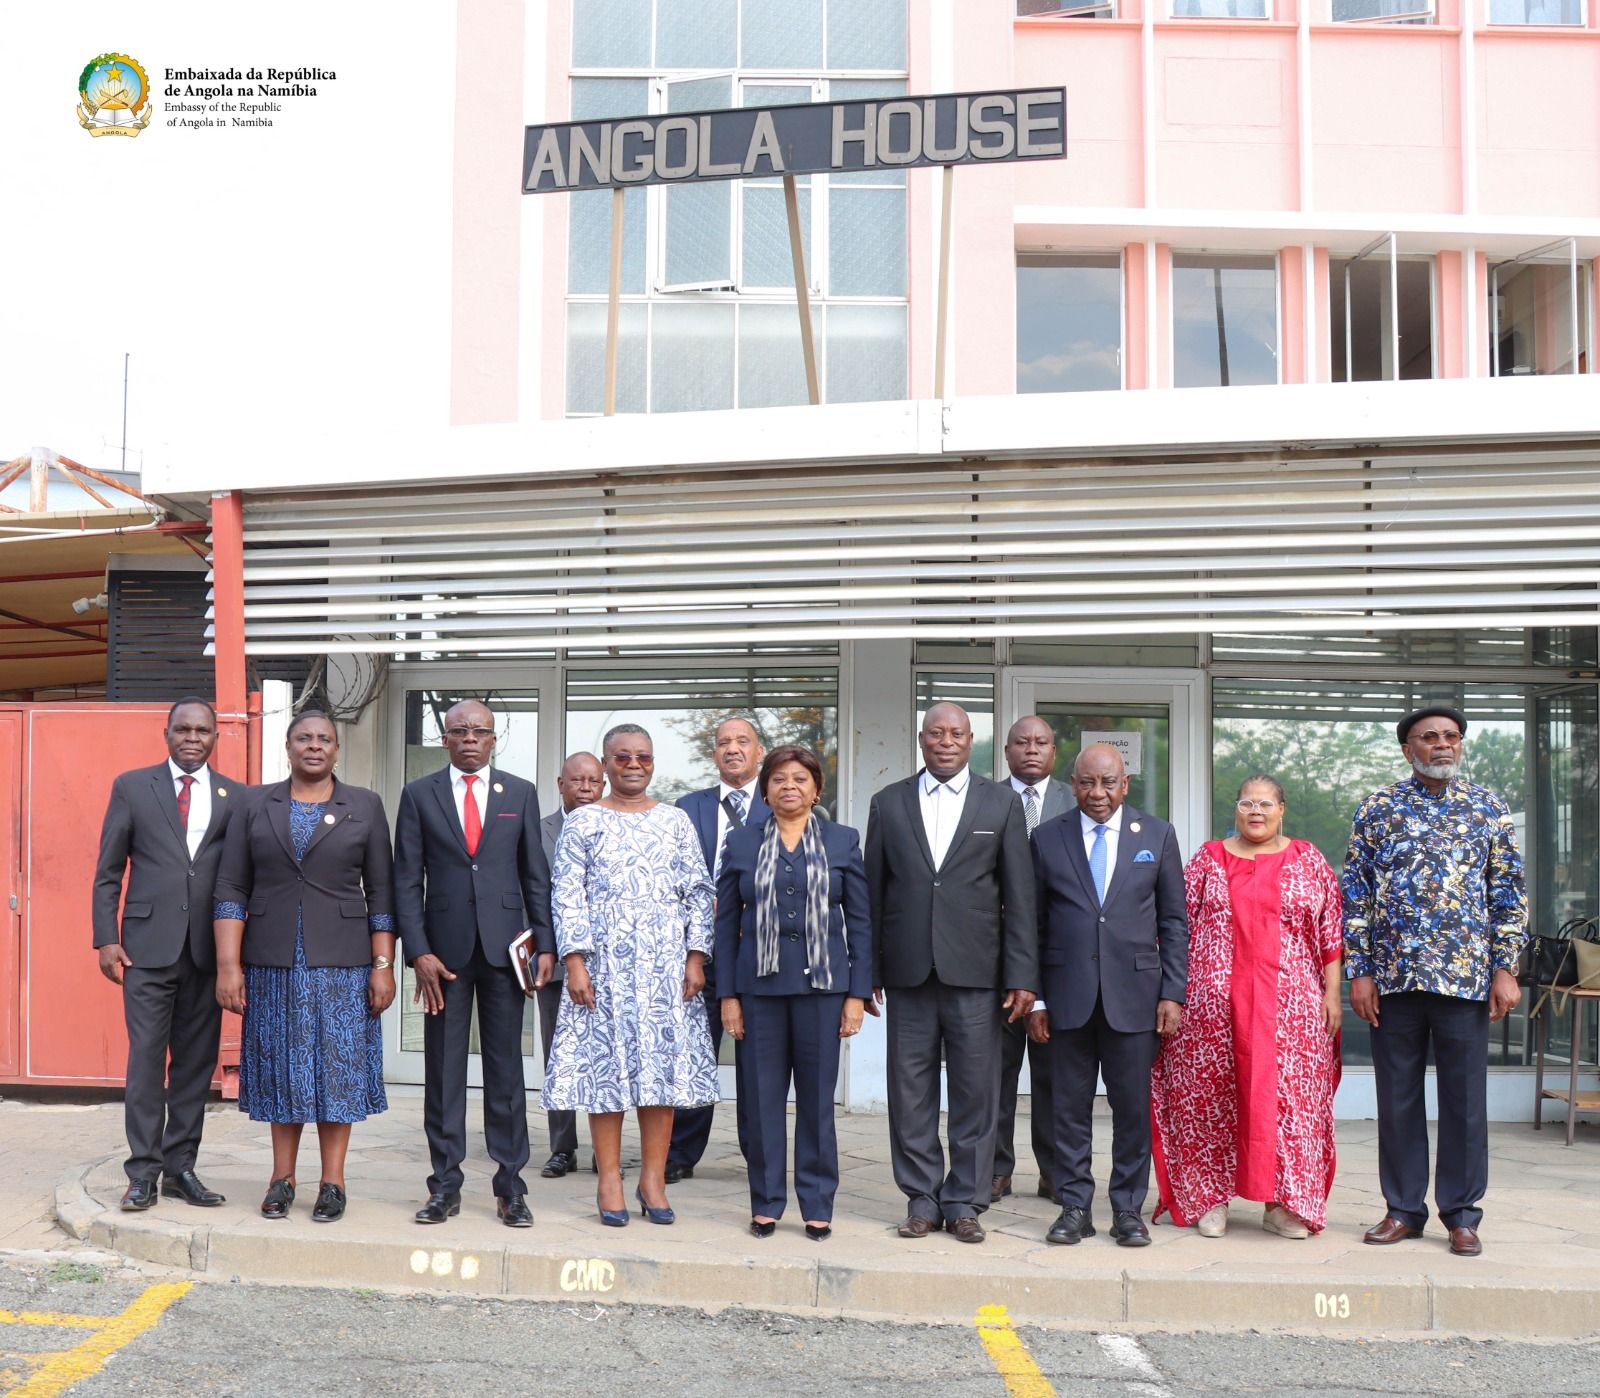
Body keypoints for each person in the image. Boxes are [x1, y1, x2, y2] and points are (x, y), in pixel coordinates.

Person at [1343, 705, 1527, 1258]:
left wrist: (1505, 967)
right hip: (1394, 979)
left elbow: (1508, 892)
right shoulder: (1378, 809)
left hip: (1465, 979)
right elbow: (1356, 895)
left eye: (1451, 737)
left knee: (1465, 1102)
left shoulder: (1488, 809)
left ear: (1461, 745)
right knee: (1396, 1099)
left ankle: (1462, 1215)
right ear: (1408, 750)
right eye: (1428, 738)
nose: (1441, 745)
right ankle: (1402, 1210)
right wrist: (1362, 970)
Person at [212, 709, 395, 1223]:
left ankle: (333, 1182)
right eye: (303, 738)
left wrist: (383, 964)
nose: (314, 746)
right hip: (271, 962)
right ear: (288, 747)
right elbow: (230, 887)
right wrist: (229, 965)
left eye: (325, 740)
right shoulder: (253, 804)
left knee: (337, 1074)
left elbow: (382, 892)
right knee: (281, 1072)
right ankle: (281, 1179)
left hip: (342, 962)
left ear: (337, 750)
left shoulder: (364, 805)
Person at [865, 702, 1037, 1244]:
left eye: (956, 733)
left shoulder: (1001, 802)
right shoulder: (888, 803)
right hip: (908, 972)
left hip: (977, 973)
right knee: (909, 1089)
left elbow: (1020, 898)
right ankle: (921, 1197)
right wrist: (866, 971)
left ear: (971, 740)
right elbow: (872, 894)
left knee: (976, 1091)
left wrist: (1022, 976)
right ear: (921, 739)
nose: (945, 741)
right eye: (935, 732)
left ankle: (965, 1199)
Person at [1151, 775, 1343, 1239]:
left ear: (1282, 809)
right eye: (1246, 803)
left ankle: (1284, 1204)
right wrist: (1169, 991)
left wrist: (1332, 994)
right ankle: (1208, 1199)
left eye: (1265, 803)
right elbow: (1174, 925)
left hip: (1292, 1010)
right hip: (1211, 1011)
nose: (1255, 811)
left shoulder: (1308, 860)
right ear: (1235, 810)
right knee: (1210, 1099)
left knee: (1290, 1104)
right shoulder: (1208, 859)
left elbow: (1331, 933)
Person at [544, 724, 718, 1227]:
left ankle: (653, 1180)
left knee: (660, 1079)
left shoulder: (676, 821)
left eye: (643, 757)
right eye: (623, 757)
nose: (634, 765)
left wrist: (694, 956)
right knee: (608, 1077)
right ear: (606, 763)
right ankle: (610, 1179)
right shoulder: (584, 823)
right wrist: (574, 960)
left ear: (653, 763)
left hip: (666, 970)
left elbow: (697, 890)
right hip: (603, 972)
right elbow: (567, 894)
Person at [393, 699, 556, 1229]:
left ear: (493, 739)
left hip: (506, 954)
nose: (469, 738)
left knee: (506, 1073)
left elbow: (536, 878)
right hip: (444, 956)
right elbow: (404, 880)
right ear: (445, 739)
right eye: (459, 730)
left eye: (479, 731)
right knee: (443, 1073)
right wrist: (417, 951)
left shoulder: (521, 793)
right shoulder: (419, 795)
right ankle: (444, 1187)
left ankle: (511, 1187)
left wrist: (545, 947)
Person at [1027, 743, 1187, 1248]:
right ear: (1073, 785)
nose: (1098, 794)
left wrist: (1173, 992)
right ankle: (1074, 1206)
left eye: (1108, 783)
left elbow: (1174, 922)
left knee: (1132, 1110)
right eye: (1087, 783)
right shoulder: (1047, 838)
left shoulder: (1157, 835)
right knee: (1067, 1109)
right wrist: (1035, 999)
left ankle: (1127, 1209)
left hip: (1136, 998)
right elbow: (1031, 924)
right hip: (1066, 996)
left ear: (1125, 784)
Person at [716, 745, 872, 1240]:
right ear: (765, 790)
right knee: (760, 1103)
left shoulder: (843, 840)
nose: (790, 786)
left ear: (816, 789)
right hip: (757, 992)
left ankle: (817, 1202)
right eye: (779, 778)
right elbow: (723, 925)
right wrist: (729, 996)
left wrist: (856, 994)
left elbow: (861, 924)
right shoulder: (740, 843)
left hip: (823, 991)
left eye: (800, 779)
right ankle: (766, 1202)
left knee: (817, 1102)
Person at [92, 698, 239, 1212]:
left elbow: (236, 879)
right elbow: (109, 870)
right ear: (167, 733)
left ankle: (180, 1169)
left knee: (196, 1067)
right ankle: (142, 1174)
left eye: (203, 730)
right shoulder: (133, 786)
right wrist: (105, 938)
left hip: (206, 952)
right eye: (183, 729)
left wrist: (235, 958)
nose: (193, 738)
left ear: (215, 737)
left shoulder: (233, 797)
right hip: (146, 951)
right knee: (147, 1062)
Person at [668, 716, 768, 1182]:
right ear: (714, 755)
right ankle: (680, 1154)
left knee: (756, 1065)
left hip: (758, 958)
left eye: (742, 741)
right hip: (698, 957)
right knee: (693, 1056)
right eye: (724, 742)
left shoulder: (781, 806)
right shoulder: (687, 808)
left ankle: (759, 1157)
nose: (733, 749)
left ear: (759, 752)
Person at [993, 714, 1069, 1205]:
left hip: (1061, 962)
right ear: (1006, 751)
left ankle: (1055, 1171)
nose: (1032, 750)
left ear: (1054, 752)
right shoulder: (986, 798)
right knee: (994, 1075)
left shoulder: (1075, 799)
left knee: (1055, 1077)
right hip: (996, 961)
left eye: (1041, 742)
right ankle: (995, 1170)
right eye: (1022, 742)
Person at [537, 751, 604, 1178]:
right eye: (576, 780)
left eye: (593, 781)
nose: (585, 788)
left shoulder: (617, 826)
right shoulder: (538, 830)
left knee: (605, 1056)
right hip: (554, 961)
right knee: (557, 1057)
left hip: (609, 964)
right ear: (560, 784)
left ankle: (605, 1147)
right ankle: (563, 1147)